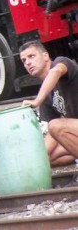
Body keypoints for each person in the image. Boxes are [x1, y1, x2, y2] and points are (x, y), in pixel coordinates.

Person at [20, 40, 78, 172]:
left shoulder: (61, 63)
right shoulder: (46, 93)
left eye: (31, 56)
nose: (28, 63)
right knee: (49, 158)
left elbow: (56, 71)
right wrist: (37, 157)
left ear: (45, 56)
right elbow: (52, 134)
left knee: (56, 126)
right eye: (23, 61)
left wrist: (36, 101)